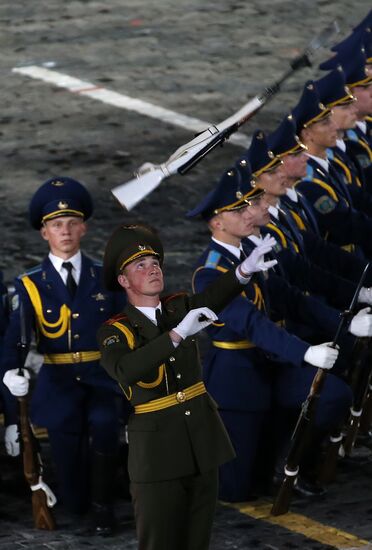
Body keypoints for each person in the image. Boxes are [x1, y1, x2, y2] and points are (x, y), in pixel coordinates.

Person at [97, 222, 278, 550]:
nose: (152, 270)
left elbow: (213, 296)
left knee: (198, 541)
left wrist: (243, 271)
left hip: (201, 443)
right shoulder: (115, 331)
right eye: (141, 266)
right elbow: (125, 370)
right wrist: (177, 334)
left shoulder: (178, 307)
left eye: (155, 264)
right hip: (157, 455)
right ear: (123, 281)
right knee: (160, 543)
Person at [188, 167, 350, 502]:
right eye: (238, 210)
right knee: (235, 490)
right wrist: (305, 353)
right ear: (217, 222)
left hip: (272, 362)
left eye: (248, 206)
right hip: (239, 375)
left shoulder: (252, 252)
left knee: (333, 395)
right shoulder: (210, 272)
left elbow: (289, 298)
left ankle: (288, 462)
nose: (249, 213)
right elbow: (251, 324)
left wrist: (345, 322)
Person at [1, 176, 125, 534]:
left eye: (72, 223)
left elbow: (127, 335)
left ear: (84, 228)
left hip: (101, 379)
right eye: (57, 225)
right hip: (58, 384)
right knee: (70, 476)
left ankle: (104, 507)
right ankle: (82, 503)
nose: (65, 231)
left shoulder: (105, 277)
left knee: (105, 426)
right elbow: (14, 344)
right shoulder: (30, 285)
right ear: (45, 234)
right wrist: (11, 397)